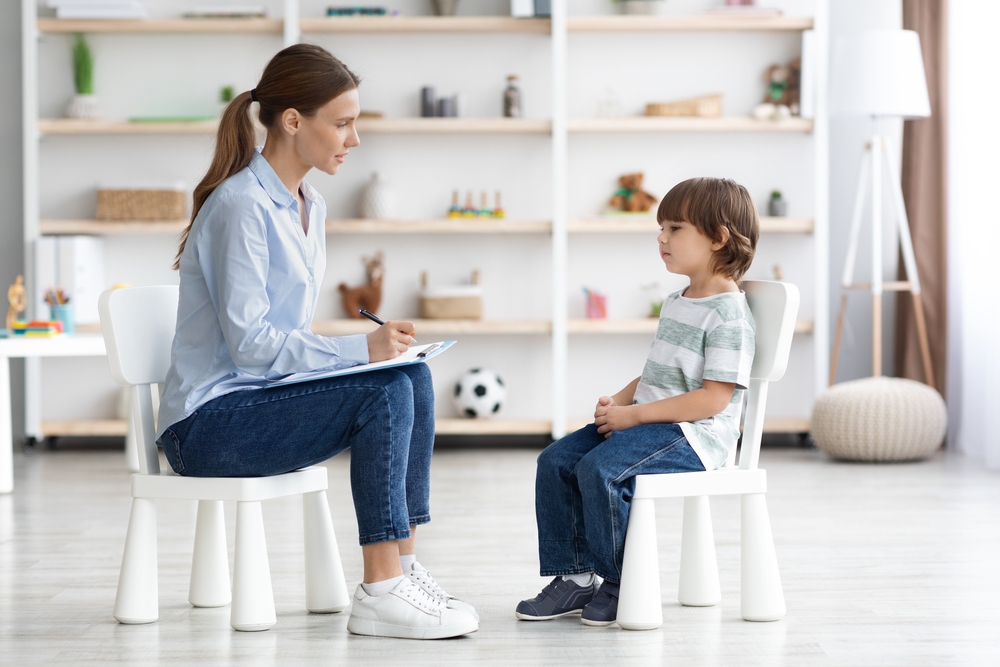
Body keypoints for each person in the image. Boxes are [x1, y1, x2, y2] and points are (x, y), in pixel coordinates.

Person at [157, 44, 478, 640]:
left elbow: (287, 341)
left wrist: (376, 350)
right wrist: (362, 350)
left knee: (410, 375)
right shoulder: (240, 207)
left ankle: (403, 570)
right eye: (343, 122)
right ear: (293, 120)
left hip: (258, 403)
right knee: (381, 390)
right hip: (205, 427)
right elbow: (254, 348)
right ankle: (380, 591)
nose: (353, 140)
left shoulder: (312, 206)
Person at [515, 177, 760, 627]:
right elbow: (657, 371)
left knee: (600, 470)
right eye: (661, 227)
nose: (662, 238)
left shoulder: (728, 314)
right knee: (555, 460)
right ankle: (574, 577)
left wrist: (634, 416)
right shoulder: (677, 300)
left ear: (718, 238)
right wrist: (620, 403)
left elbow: (713, 399)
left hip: (696, 434)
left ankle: (617, 580)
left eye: (675, 228)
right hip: (651, 422)